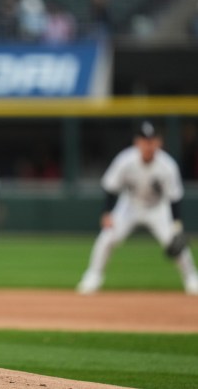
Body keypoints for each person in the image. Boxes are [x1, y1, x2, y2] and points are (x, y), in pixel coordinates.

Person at [77, 121, 198, 295]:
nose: (148, 145)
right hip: (130, 205)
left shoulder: (167, 165)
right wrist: (107, 213)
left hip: (158, 208)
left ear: (159, 142)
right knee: (107, 237)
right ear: (137, 142)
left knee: (175, 241)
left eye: (151, 140)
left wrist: (176, 225)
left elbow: (174, 198)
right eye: (144, 140)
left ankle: (191, 278)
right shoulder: (125, 160)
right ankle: (93, 276)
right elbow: (110, 187)